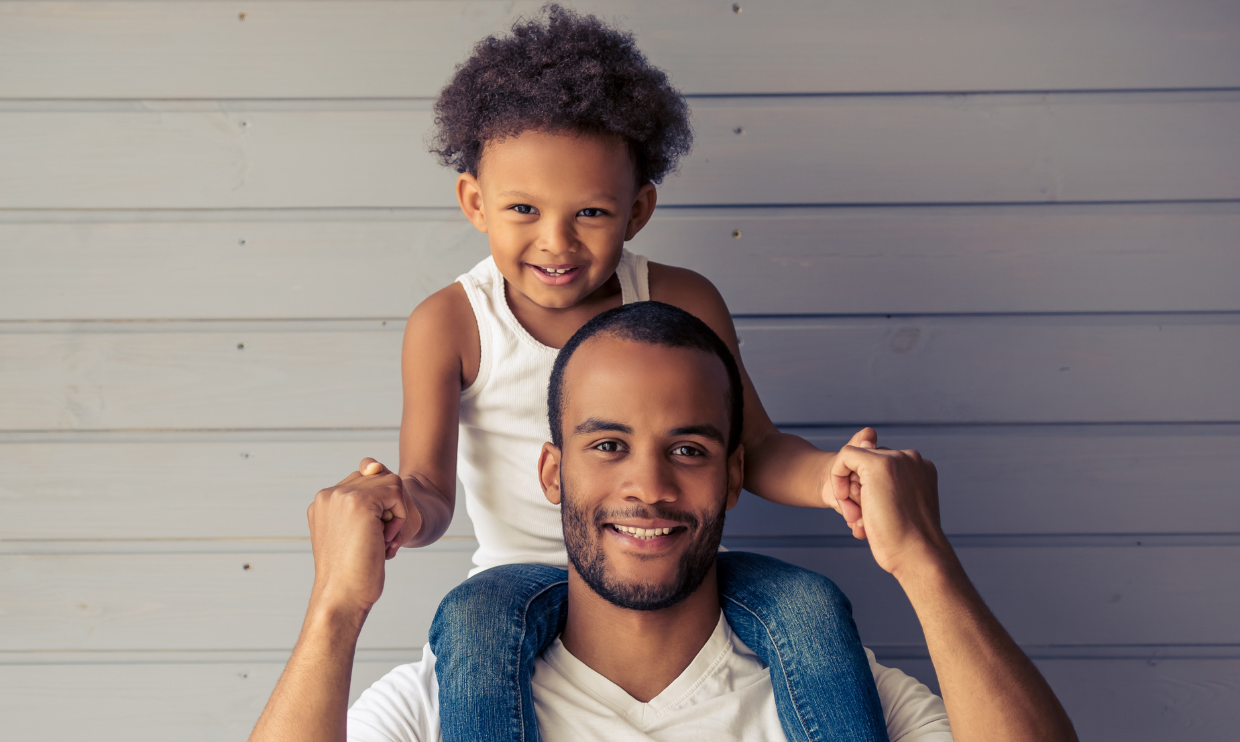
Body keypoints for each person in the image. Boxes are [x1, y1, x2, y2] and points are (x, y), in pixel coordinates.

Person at [351, 6, 895, 741]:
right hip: (521, 575)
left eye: (591, 213)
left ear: (637, 210)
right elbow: (430, 488)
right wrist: (401, 509)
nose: (556, 242)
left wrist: (832, 476)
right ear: (474, 202)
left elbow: (756, 448)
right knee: (470, 620)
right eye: (523, 209)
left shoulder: (681, 299)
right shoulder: (451, 323)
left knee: (810, 604)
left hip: (677, 563)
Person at [247, 302, 1078, 742]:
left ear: (734, 476)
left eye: (687, 449)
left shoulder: (830, 687)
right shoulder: (442, 698)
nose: (647, 486)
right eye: (607, 444)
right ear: (552, 473)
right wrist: (335, 609)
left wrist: (925, 563)